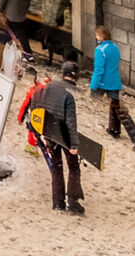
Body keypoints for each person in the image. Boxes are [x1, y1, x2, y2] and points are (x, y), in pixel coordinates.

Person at [28, 60, 85, 214]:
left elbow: (40, 105)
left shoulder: (50, 86)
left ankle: (58, 202)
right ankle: (73, 201)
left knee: (56, 166)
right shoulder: (69, 95)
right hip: (64, 135)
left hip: (50, 131)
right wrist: (74, 145)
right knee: (73, 166)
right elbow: (71, 123)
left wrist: (41, 132)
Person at [91, 25, 135, 147]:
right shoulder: (115, 47)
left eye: (97, 35)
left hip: (103, 83)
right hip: (114, 82)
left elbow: (98, 70)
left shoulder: (100, 50)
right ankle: (118, 131)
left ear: (102, 36)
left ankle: (124, 133)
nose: (96, 37)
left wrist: (93, 86)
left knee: (91, 103)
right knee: (117, 108)